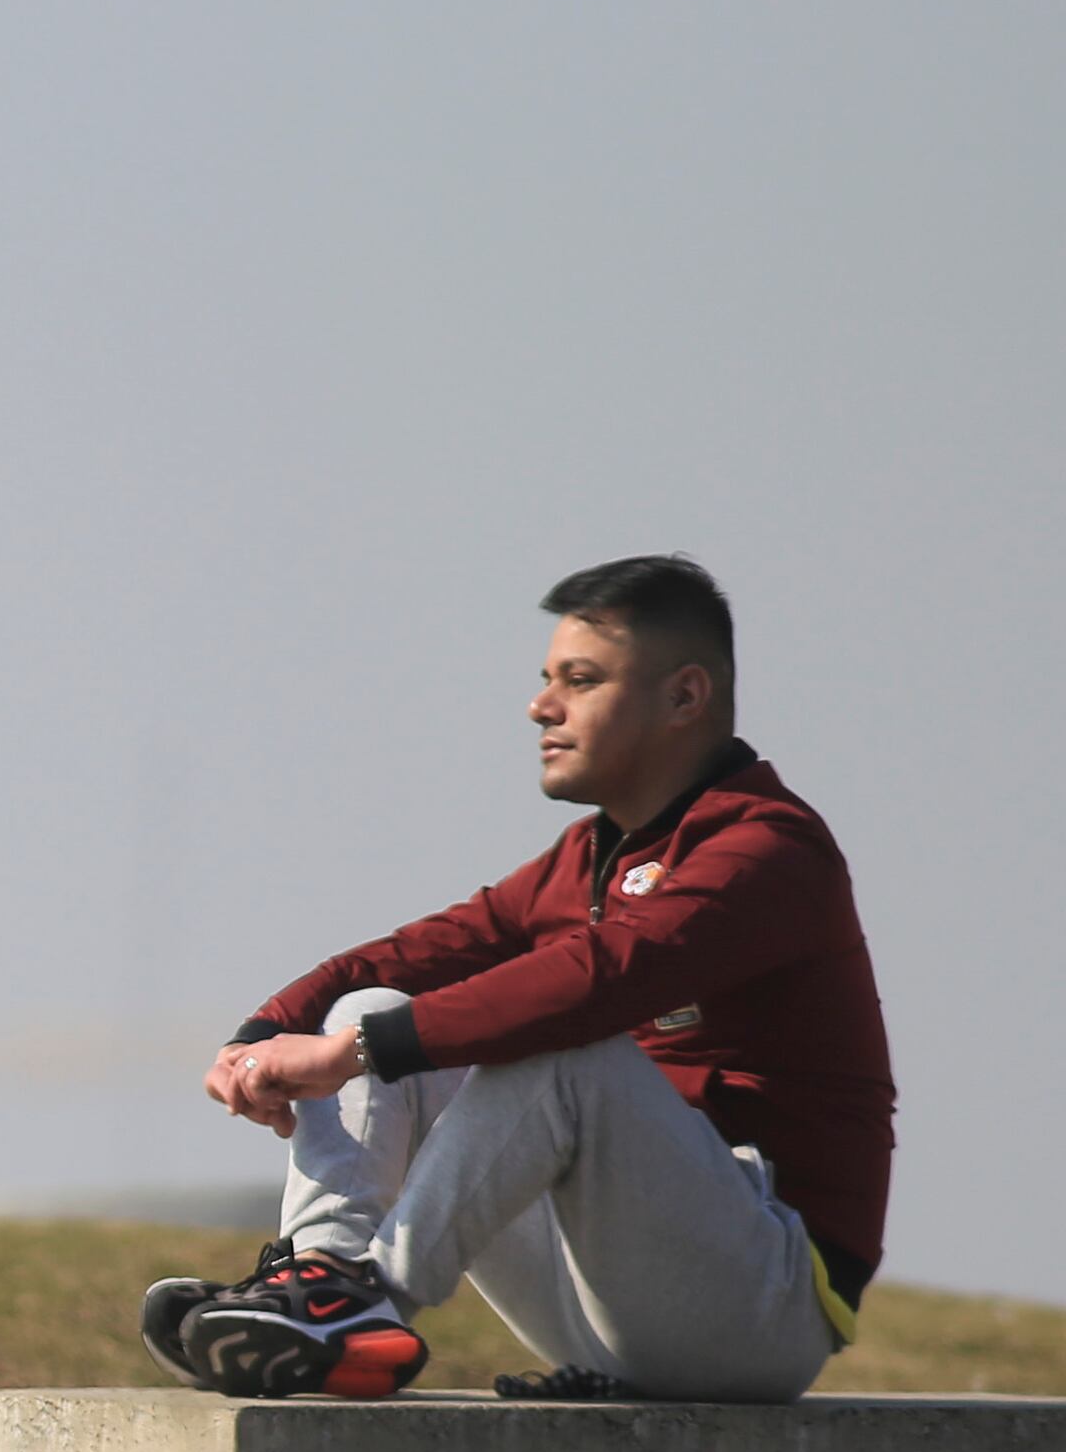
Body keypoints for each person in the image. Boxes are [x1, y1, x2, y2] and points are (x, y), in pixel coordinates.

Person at [146, 555, 895, 1403]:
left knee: (559, 1046)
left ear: (685, 696)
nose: (542, 707)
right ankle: (320, 1285)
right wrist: (258, 1037)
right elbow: (406, 958)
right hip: (612, 1300)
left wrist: (348, 1053)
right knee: (371, 1007)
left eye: (581, 681)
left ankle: (365, 1301)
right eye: (547, 681)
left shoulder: (770, 849)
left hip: (764, 1308)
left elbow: (598, 980)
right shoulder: (588, 857)